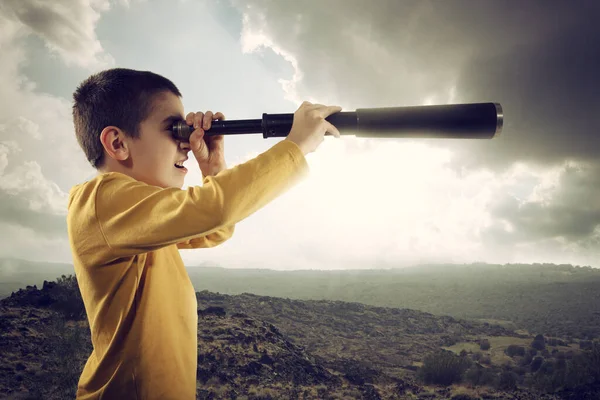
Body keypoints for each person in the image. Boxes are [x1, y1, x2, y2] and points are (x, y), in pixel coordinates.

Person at [66, 67, 341, 399]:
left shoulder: (137, 214)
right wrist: (296, 145)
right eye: (173, 129)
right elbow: (212, 208)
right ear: (117, 142)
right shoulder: (100, 201)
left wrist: (213, 167)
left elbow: (214, 230)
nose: (186, 143)